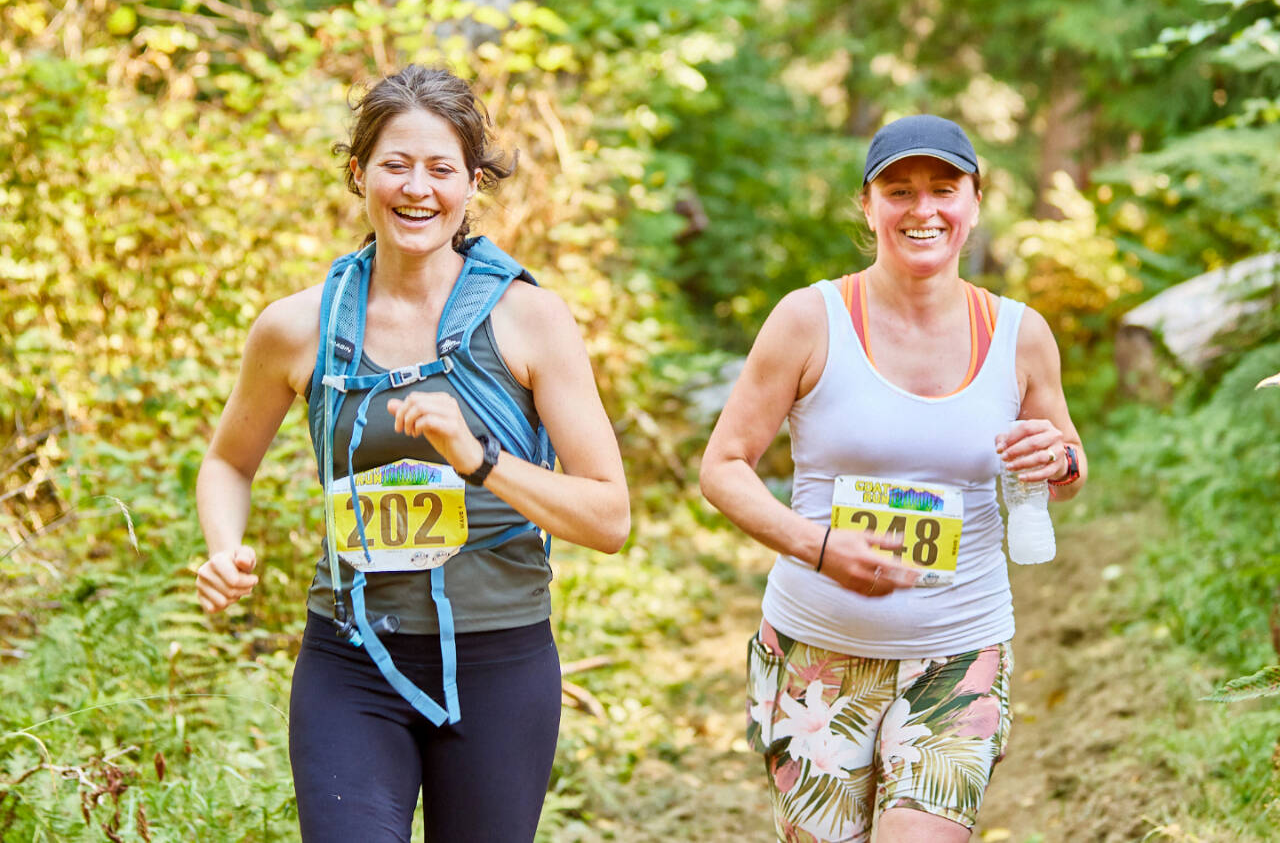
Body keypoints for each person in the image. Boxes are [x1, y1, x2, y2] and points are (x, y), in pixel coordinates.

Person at [194, 65, 629, 842]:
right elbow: (229, 461)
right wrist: (224, 547)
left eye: (441, 168)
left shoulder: (530, 320)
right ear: (360, 173)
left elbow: (608, 514)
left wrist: (481, 457)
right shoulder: (297, 327)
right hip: (350, 660)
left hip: (499, 664)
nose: (416, 188)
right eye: (395, 165)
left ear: (472, 185)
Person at [699, 114, 1086, 843]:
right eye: (899, 190)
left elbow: (1066, 462)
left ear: (974, 202)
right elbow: (722, 468)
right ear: (868, 205)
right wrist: (819, 546)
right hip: (817, 654)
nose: (923, 209)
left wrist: (1060, 459)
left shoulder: (1019, 333)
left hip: (959, 651)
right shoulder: (808, 320)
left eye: (945, 188)